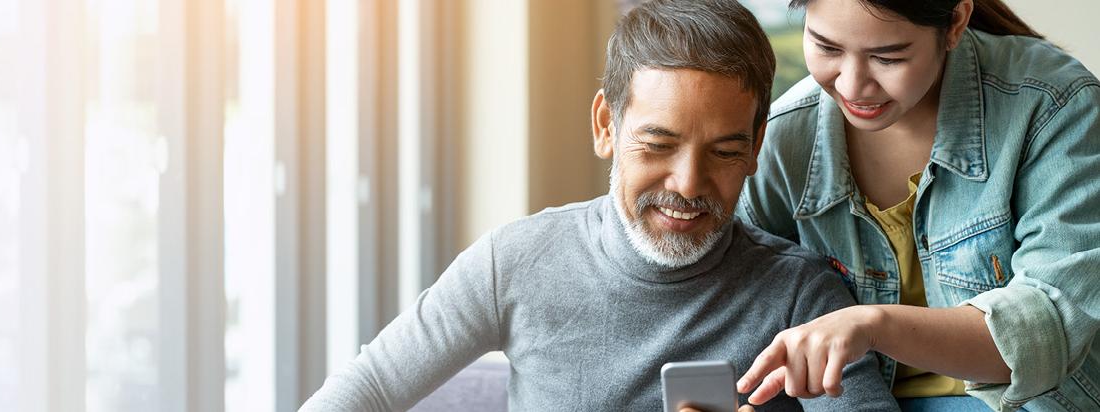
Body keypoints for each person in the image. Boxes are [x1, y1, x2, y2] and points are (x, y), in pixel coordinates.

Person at [300, 0, 898, 410]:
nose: (688, 185)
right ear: (606, 125)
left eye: (723, 151)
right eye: (658, 144)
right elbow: (372, 387)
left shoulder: (801, 297)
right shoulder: (516, 262)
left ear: (756, 148)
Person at [733, 0, 1100, 411]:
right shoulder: (785, 140)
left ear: (955, 22)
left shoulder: (1051, 104)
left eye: (888, 57)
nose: (852, 87)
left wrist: (872, 326)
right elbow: (729, 291)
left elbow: (1049, 327)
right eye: (827, 48)